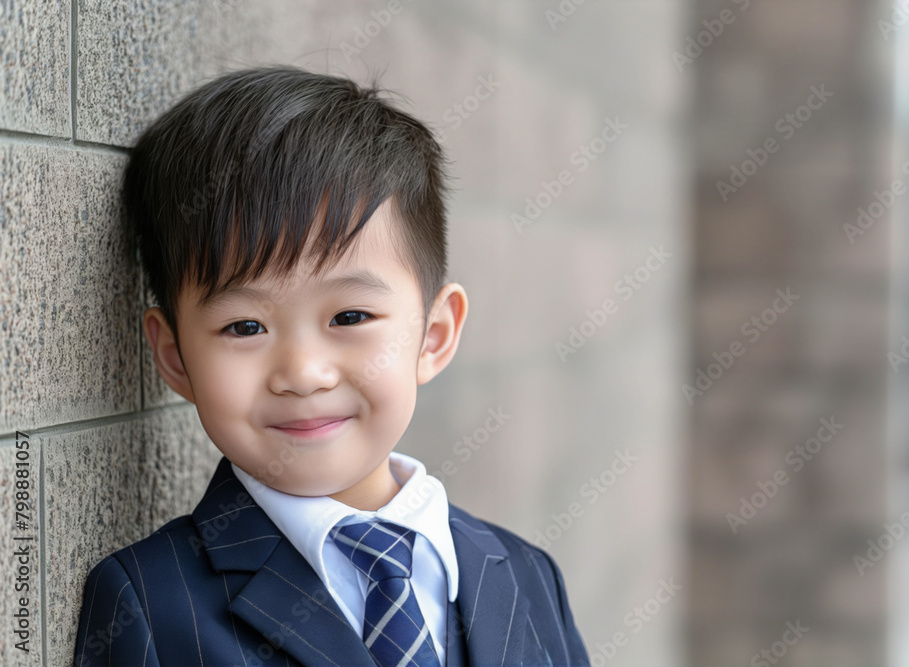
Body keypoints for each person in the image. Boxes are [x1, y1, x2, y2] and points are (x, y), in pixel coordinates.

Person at [73, 65, 589, 667]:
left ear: (434, 335)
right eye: (245, 327)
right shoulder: (148, 604)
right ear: (175, 357)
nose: (304, 372)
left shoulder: (528, 575)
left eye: (349, 317)